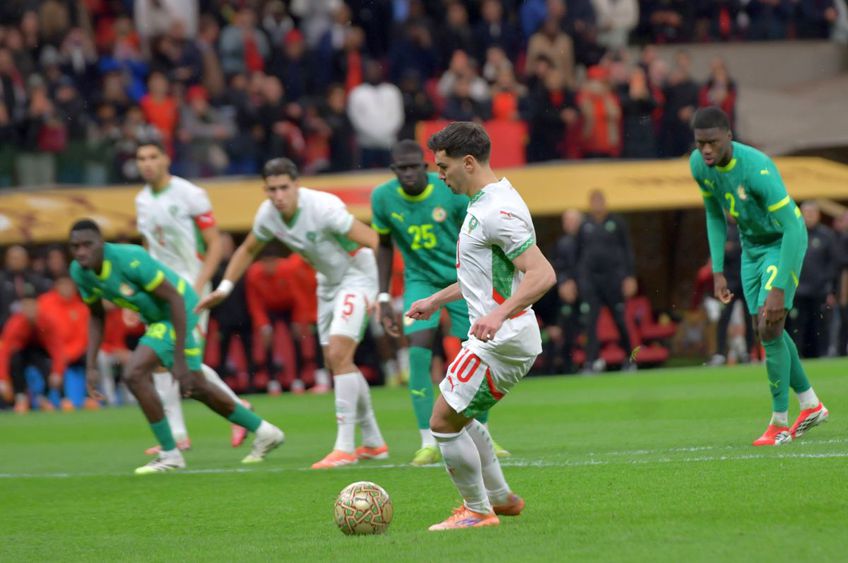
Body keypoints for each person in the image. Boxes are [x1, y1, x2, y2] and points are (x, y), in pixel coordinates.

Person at [407, 122, 556, 531]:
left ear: (468, 162)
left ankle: (476, 510)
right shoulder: (487, 202)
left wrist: (498, 313)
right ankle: (502, 498)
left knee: (441, 421)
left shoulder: (497, 211)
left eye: (443, 166)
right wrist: (435, 300)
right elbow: (486, 277)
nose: (440, 175)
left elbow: (542, 274)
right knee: (463, 415)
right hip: (504, 334)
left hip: (500, 339)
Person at [197, 158, 387, 469]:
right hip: (327, 282)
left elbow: (375, 242)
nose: (278, 195)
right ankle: (374, 441)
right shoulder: (268, 215)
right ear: (265, 190)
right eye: (272, 189)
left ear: (297, 185)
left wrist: (381, 292)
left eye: (284, 187)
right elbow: (247, 249)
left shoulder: (324, 208)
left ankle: (344, 447)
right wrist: (226, 286)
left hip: (358, 275)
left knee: (339, 355)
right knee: (338, 361)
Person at [68, 220, 284, 473]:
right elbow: (96, 315)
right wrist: (91, 365)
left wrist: (178, 360)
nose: (82, 252)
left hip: (180, 310)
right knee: (198, 387)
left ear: (101, 244)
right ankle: (265, 431)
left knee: (134, 374)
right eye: (75, 247)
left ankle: (170, 454)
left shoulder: (131, 259)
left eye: (87, 245)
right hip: (159, 319)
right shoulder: (79, 272)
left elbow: (173, 299)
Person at [690, 106, 829, 447]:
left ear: (728, 138)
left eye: (712, 142)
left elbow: (795, 227)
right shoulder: (698, 166)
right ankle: (810, 404)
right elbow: (713, 215)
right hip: (751, 249)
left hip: (782, 242)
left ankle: (779, 424)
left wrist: (779, 287)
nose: (706, 150)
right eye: (699, 143)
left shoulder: (757, 169)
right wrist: (719, 271)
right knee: (765, 329)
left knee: (771, 324)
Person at [371, 140, 509, 467]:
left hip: (460, 279)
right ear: (394, 171)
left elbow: (474, 235)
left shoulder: (448, 190)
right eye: (401, 168)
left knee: (477, 351)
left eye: (413, 167)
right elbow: (385, 246)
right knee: (418, 352)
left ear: (425, 166)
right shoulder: (382, 198)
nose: (407, 173)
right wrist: (383, 295)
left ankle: (483, 434)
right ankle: (426, 441)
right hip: (420, 280)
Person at [135, 138, 249, 454]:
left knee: (176, 357)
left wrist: (199, 285)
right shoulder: (142, 200)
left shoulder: (190, 194)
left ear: (165, 159)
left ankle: (210, 421)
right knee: (167, 358)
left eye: (152, 156)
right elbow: (149, 248)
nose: (146, 163)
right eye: (141, 157)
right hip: (159, 289)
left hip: (188, 287)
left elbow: (213, 243)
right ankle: (211, 421)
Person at [576, 190, 638, 373]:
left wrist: (630, 276)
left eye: (599, 200)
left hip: (613, 279)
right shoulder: (584, 225)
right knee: (590, 321)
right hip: (591, 281)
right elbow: (578, 254)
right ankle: (590, 362)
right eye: (593, 201)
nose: (597, 204)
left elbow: (627, 250)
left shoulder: (616, 222)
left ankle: (630, 358)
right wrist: (578, 279)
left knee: (619, 319)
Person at [789, 201, 838, 358]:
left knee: (820, 325)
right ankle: (798, 356)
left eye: (812, 213)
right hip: (798, 291)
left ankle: (822, 355)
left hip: (819, 291)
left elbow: (833, 264)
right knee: (797, 326)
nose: (809, 217)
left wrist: (831, 289)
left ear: (818, 215)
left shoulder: (826, 236)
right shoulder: (794, 234)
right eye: (806, 213)